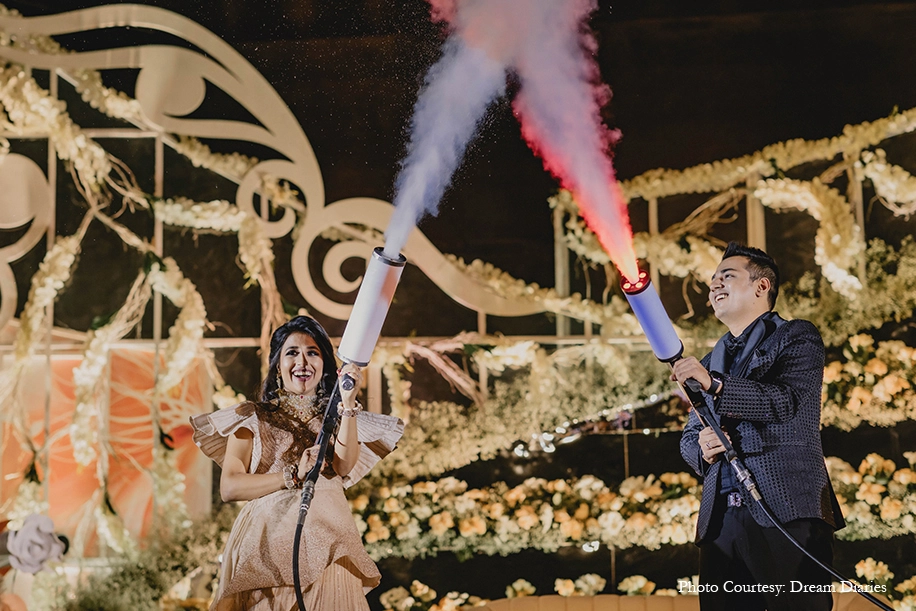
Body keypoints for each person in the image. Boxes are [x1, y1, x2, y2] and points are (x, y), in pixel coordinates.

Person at [672, 242, 844, 611]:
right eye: (713, 279)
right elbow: (689, 435)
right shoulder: (709, 359)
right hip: (721, 523)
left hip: (789, 510)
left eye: (727, 276)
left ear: (761, 287)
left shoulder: (796, 336)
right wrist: (701, 446)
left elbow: (786, 403)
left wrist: (715, 385)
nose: (715, 284)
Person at [190, 315, 404, 610]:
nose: (302, 362)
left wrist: (348, 403)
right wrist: (291, 475)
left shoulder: (339, 416)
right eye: (292, 353)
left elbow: (343, 467)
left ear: (325, 365)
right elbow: (230, 486)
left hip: (331, 543)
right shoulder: (252, 416)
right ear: (278, 365)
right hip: (268, 544)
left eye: (312, 353)